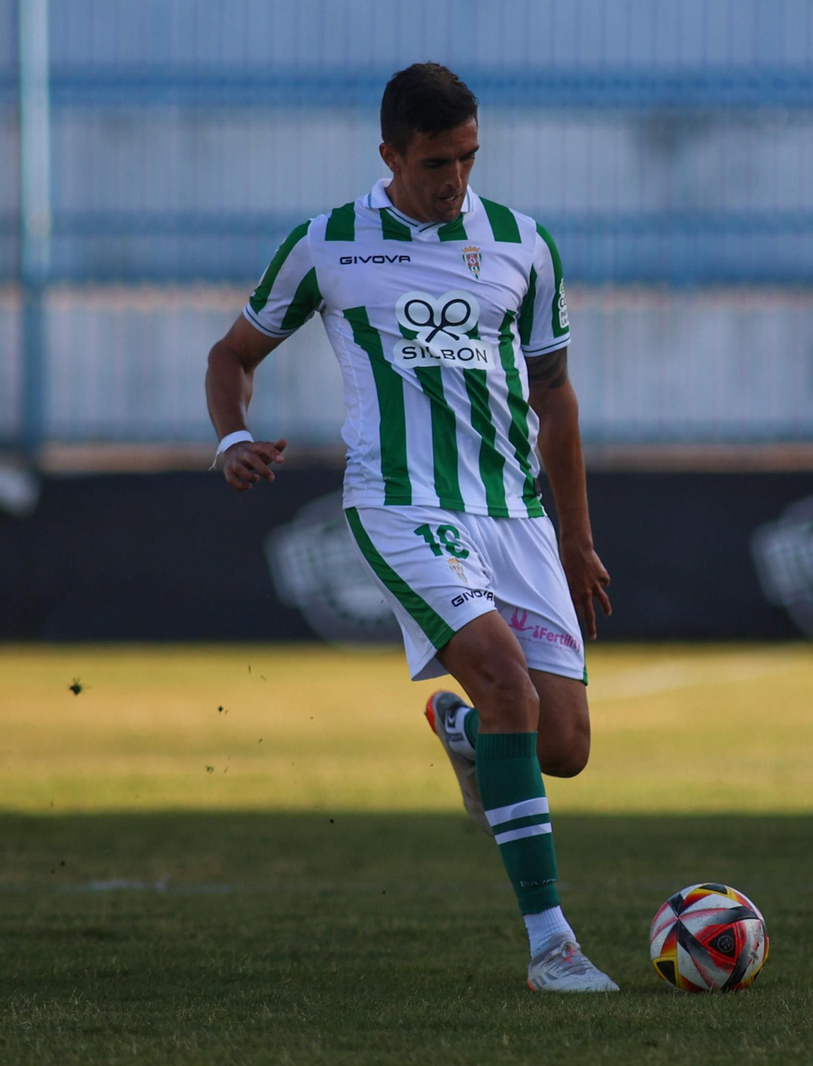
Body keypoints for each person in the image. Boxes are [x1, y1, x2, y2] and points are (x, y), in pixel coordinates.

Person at [203, 63, 617, 992]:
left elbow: (554, 397)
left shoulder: (524, 245)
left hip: (514, 516)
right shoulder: (327, 244)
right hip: (403, 504)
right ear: (390, 153)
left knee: (564, 748)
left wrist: (576, 538)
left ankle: (463, 730)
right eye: (436, 162)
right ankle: (553, 946)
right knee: (512, 683)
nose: (454, 181)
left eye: (469, 158)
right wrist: (231, 434)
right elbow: (233, 353)